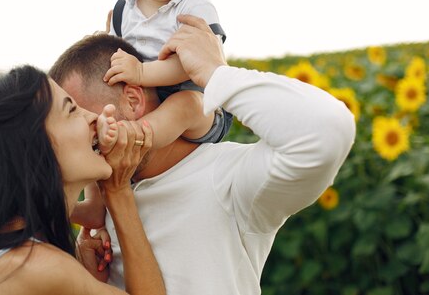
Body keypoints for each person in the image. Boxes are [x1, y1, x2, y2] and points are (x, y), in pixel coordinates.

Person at [49, 15, 356, 295]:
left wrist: (216, 74)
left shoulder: (226, 179)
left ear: (132, 100)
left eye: (91, 122)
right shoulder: (101, 202)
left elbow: (328, 129)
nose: (87, 139)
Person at [0, 65, 166, 295]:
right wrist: (119, 191)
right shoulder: (36, 267)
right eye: (72, 109)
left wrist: (84, 276)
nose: (94, 118)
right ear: (34, 149)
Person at [70, 0, 233, 229]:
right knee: (102, 112)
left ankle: (136, 137)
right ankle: (94, 204)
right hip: (141, 95)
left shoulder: (193, 6)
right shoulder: (123, 8)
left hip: (197, 101)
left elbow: (194, 65)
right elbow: (112, 55)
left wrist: (142, 72)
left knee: (185, 104)